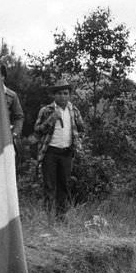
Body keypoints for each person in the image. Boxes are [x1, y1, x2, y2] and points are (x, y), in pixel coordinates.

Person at [34, 78, 85, 220]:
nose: (63, 96)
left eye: (65, 93)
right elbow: (37, 131)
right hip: (49, 152)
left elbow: (82, 128)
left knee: (64, 185)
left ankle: (61, 216)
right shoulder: (46, 110)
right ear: (54, 95)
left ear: (69, 95)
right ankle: (48, 217)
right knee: (49, 185)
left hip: (66, 152)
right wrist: (51, 119)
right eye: (60, 93)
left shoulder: (73, 110)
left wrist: (77, 141)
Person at [0, 64, 25, 165]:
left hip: (7, 138)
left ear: (3, 76)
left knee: (8, 166)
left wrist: (15, 133)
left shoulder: (11, 95)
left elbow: (19, 116)